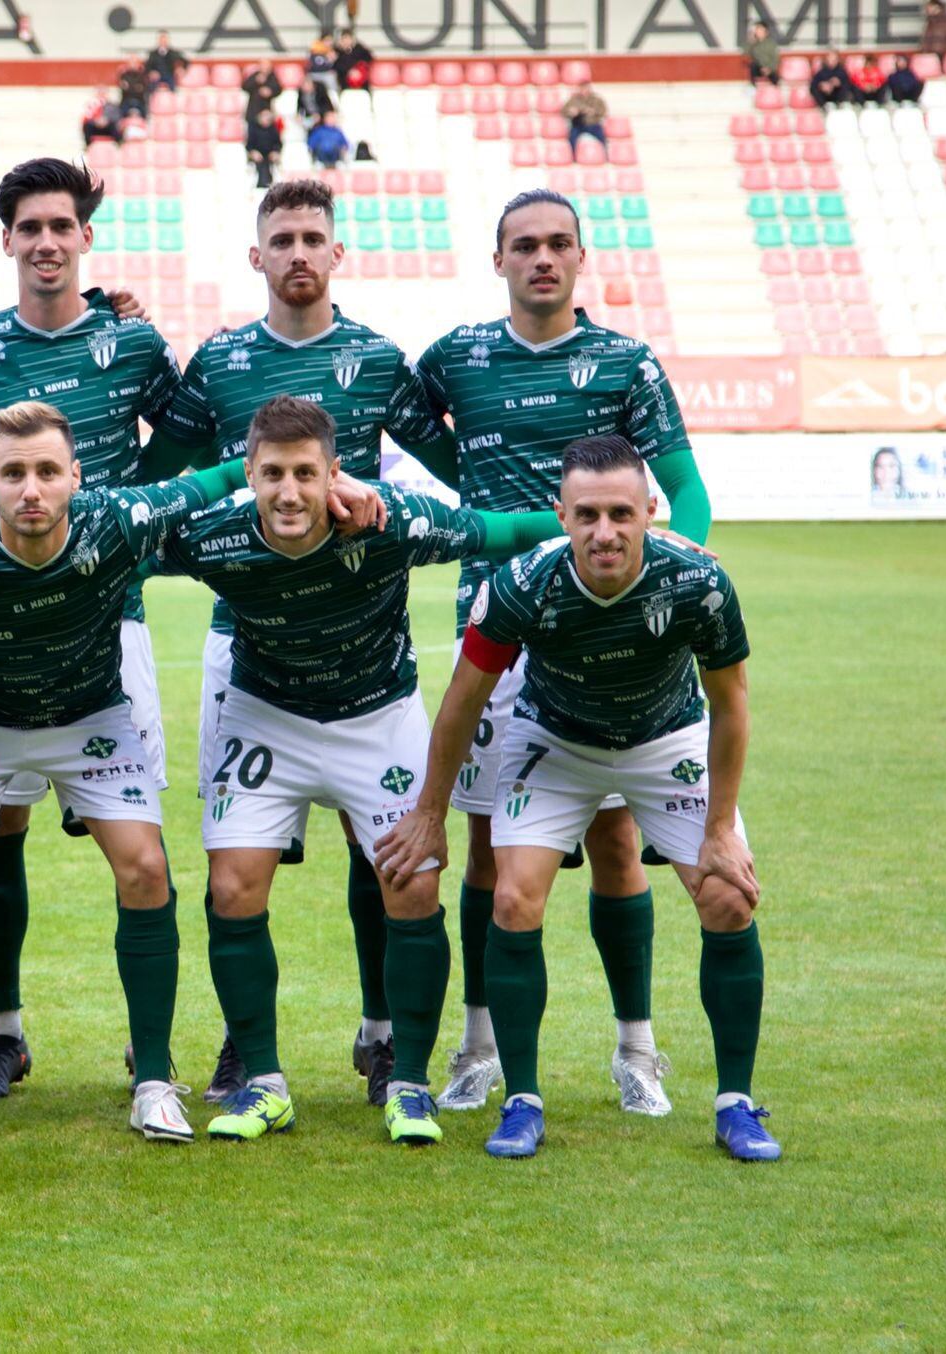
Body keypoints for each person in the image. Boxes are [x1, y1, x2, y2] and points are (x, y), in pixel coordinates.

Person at [0, 406, 379, 1143]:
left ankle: (154, 1081)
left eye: (49, 472)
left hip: (91, 722)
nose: (32, 489)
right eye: (15, 473)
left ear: (75, 479)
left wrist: (341, 485)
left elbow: (224, 475)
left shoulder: (118, 520)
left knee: (147, 867)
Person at [156, 396, 561, 1145]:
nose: (288, 491)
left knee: (410, 886)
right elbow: (114, 533)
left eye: (305, 473)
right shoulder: (213, 536)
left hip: (378, 719)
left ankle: (408, 1081)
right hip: (265, 716)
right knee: (232, 886)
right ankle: (265, 1084)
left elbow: (496, 531)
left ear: (334, 473)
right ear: (247, 473)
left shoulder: (391, 521)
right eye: (271, 473)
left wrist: (581, 524)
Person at [146, 177, 464, 1109]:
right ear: (257, 255)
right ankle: (249, 1053)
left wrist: (375, 498)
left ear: (335, 255)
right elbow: (157, 475)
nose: (295, 252)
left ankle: (383, 1032)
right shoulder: (219, 361)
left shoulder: (375, 358)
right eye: (279, 237)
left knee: (387, 848)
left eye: (311, 238)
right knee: (242, 862)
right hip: (243, 639)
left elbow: (454, 467)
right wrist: (234, 490)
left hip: (364, 640)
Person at [376, 435, 778, 1164]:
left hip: (667, 738)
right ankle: (522, 1098)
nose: (604, 532)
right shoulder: (523, 583)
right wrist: (430, 813)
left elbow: (732, 703)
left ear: (651, 512)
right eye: (587, 514)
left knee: (727, 897)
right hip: (555, 741)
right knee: (512, 899)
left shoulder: (699, 582)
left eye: (621, 514)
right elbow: (464, 703)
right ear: (560, 515)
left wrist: (720, 827)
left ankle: (736, 1103)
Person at [413, 188, 713, 1116]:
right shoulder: (453, 360)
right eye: (524, 246)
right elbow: (401, 432)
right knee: (486, 855)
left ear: (581, 259)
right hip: (497, 635)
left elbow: (686, 490)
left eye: (557, 245)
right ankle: (479, 1048)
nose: (541, 259)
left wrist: (681, 569)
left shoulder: (626, 361)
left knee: (617, 840)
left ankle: (637, 1049)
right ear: (496, 260)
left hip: (614, 638)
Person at [0, 159, 188, 1100]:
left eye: (61, 226)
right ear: (7, 240)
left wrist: (127, 523)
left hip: (113, 623)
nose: (46, 242)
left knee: (137, 847)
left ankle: (152, 1056)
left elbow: (188, 440)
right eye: (29, 227)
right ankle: (2, 1031)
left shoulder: (135, 344)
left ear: (84, 238)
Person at [563, 80, 608, 151]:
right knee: (572, 138)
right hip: (577, 125)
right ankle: (573, 157)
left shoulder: (597, 100)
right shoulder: (573, 100)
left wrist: (594, 112)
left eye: (586, 88)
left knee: (602, 137)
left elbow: (603, 112)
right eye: (582, 88)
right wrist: (571, 112)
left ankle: (605, 155)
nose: (584, 90)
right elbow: (563, 111)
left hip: (593, 124)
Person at [245, 108, 282, 188]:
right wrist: (253, 152)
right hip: (257, 155)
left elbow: (278, 143)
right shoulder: (253, 128)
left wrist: (275, 152)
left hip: (269, 155)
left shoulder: (273, 129)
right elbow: (249, 145)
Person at [334, 29, 375, 97]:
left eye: (349, 39)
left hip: (359, 75)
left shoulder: (359, 49)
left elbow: (369, 58)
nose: (346, 41)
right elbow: (336, 65)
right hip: (344, 77)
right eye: (344, 39)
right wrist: (349, 71)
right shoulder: (337, 51)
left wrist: (358, 70)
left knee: (366, 83)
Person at [117, 55, 151, 119]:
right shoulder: (123, 75)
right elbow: (124, 88)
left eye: (134, 63)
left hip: (140, 101)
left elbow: (142, 89)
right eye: (130, 63)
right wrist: (135, 87)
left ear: (138, 64)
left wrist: (130, 87)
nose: (132, 65)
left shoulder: (143, 75)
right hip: (126, 100)